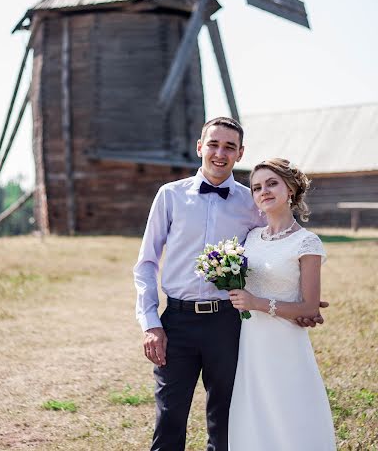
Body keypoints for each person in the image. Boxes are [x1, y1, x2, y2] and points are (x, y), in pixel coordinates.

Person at [134, 118, 327, 451]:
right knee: (169, 419)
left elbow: (273, 253)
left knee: (225, 421)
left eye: (229, 147)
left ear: (240, 153)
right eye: (213, 144)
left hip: (229, 324)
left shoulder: (251, 203)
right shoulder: (169, 196)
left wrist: (301, 303)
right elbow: (147, 263)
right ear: (200, 147)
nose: (219, 153)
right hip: (176, 321)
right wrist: (151, 324)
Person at [228, 158, 336, 451]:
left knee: (290, 413)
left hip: (286, 343)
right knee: (256, 414)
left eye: (272, 183)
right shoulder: (250, 238)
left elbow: (310, 308)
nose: (264, 191)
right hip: (251, 343)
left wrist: (256, 303)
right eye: (257, 187)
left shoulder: (307, 243)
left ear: (290, 189)